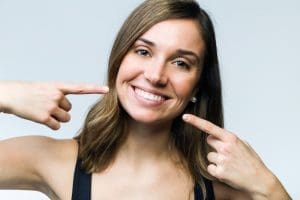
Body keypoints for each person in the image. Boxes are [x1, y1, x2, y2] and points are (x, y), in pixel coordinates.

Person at [0, 0, 291, 199]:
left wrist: (268, 185)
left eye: (180, 62)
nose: (155, 75)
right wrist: (5, 94)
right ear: (119, 60)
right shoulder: (54, 160)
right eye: (143, 51)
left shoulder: (219, 184)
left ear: (197, 87)